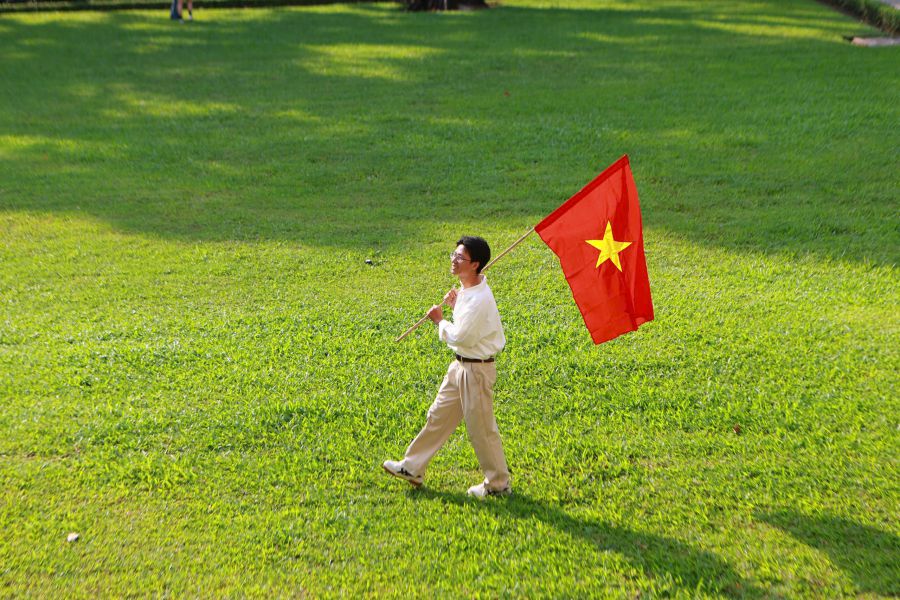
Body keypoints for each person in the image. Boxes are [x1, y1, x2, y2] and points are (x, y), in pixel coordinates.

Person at [383, 236, 511, 498]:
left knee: (481, 430)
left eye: (460, 258)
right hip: (460, 367)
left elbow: (461, 337)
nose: (454, 260)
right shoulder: (467, 290)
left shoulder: (479, 300)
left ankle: (498, 485)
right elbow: (466, 326)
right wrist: (455, 305)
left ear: (475, 264)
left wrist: (440, 322)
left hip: (476, 371)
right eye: (453, 255)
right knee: (438, 416)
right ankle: (412, 467)